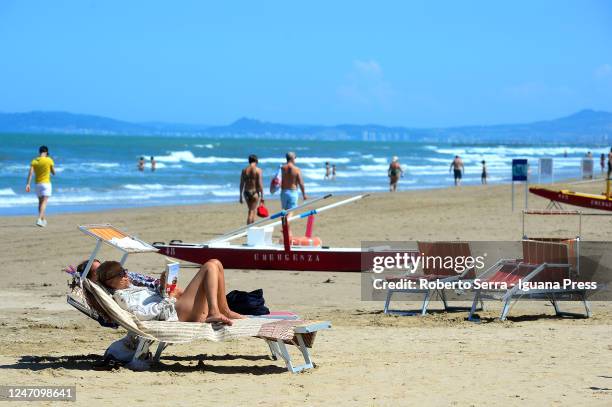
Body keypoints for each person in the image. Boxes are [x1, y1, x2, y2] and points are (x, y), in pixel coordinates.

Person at [96, 259, 241, 325]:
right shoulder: (121, 297)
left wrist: (164, 286)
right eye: (120, 274)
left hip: (177, 307)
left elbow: (155, 299)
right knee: (210, 266)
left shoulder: (132, 288)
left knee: (217, 264)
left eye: (124, 271)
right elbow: (145, 313)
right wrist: (169, 298)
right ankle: (214, 312)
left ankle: (224, 310)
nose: (126, 275)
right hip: (176, 313)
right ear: (109, 282)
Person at [77, 259, 184, 298]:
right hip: (158, 295)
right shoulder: (112, 287)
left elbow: (149, 282)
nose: (102, 270)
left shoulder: (121, 277)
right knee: (176, 292)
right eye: (97, 271)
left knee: (176, 290)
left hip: (159, 289)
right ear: (90, 279)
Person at [25, 145, 55, 227]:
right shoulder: (49, 160)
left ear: (39, 152)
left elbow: (30, 173)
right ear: (46, 152)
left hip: (37, 184)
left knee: (40, 203)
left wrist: (28, 184)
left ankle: (43, 220)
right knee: (44, 202)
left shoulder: (34, 160)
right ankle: (39, 218)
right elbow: (53, 172)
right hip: (46, 184)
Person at [239, 154, 264, 224]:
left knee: (251, 210)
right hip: (254, 192)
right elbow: (260, 183)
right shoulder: (258, 170)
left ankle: (251, 227)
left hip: (246, 192)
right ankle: (249, 230)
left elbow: (241, 184)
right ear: (256, 161)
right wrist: (262, 196)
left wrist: (240, 195)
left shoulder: (244, 170)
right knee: (251, 211)